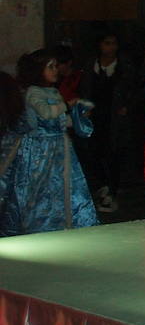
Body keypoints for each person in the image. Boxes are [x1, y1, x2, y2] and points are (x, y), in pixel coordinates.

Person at [0, 49, 100, 235]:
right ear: (38, 70)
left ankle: (64, 222)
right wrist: (67, 106)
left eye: (55, 66)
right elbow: (45, 113)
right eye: (50, 67)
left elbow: (59, 121)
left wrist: (78, 115)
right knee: (39, 190)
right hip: (41, 151)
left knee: (63, 188)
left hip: (60, 149)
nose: (55, 70)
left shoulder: (53, 91)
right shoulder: (33, 92)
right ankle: (38, 225)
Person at [76, 30, 139, 214]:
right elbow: (85, 88)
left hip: (115, 117)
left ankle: (111, 190)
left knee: (114, 153)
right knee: (95, 152)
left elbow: (133, 88)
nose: (111, 47)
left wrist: (127, 106)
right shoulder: (91, 65)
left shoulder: (124, 65)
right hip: (95, 115)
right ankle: (102, 187)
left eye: (114, 43)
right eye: (107, 43)